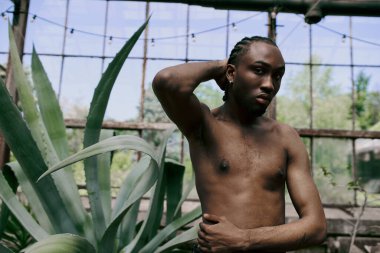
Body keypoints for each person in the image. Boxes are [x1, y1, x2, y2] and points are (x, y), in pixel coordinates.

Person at [152, 36, 326, 252]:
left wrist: (246, 239)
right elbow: (167, 81)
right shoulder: (204, 125)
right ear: (232, 73)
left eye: (277, 76)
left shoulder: (286, 137)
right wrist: (219, 67)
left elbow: (316, 226)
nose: (269, 84)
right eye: (259, 70)